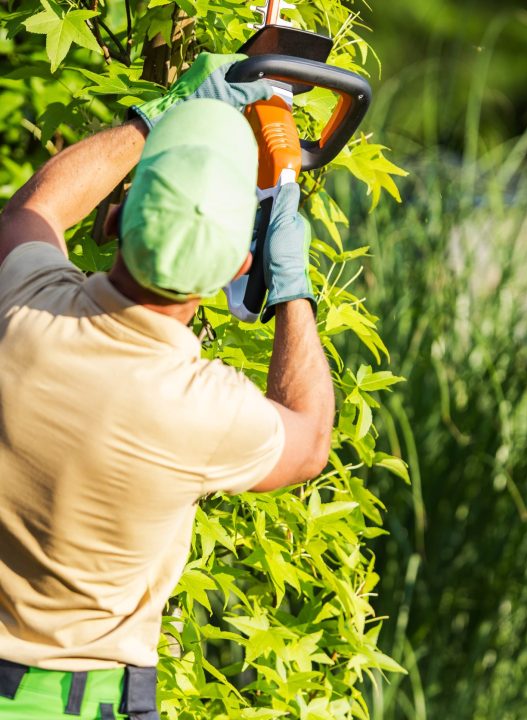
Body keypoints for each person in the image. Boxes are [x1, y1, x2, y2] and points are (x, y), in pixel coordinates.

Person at [0, 53, 335, 719]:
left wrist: (153, 120)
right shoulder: (203, 411)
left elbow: (32, 212)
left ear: (117, 220)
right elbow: (310, 437)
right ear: (238, 265)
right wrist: (291, 286)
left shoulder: (23, 312)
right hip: (77, 702)